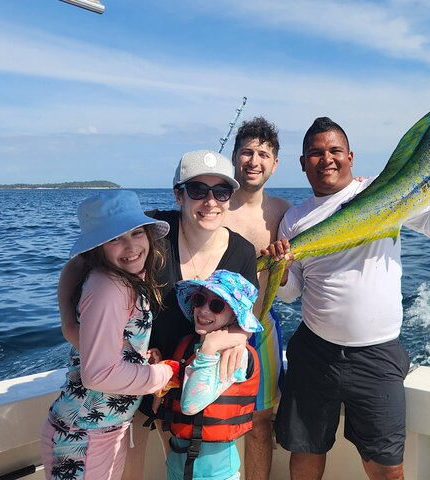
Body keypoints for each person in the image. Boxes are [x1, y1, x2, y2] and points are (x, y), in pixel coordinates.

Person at [263, 117, 430, 480]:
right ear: (302, 163)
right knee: (305, 456)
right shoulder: (294, 219)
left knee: (388, 468)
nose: (325, 159)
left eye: (334, 151)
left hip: (376, 355)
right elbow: (293, 291)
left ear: (350, 157)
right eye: (315, 153)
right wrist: (275, 270)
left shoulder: (383, 191)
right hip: (314, 353)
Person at [58, 151, 257, 479]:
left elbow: (246, 315)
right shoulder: (150, 232)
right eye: (197, 191)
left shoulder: (243, 252)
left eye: (221, 192)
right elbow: (76, 265)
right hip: (136, 376)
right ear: (178, 195)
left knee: (180, 469)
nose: (210, 201)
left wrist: (237, 337)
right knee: (128, 471)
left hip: (187, 379)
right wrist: (69, 323)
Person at [41, 190, 177, 480]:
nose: (131, 246)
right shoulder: (110, 288)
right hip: (84, 437)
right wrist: (162, 375)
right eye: (115, 238)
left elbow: (73, 267)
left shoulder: (116, 277)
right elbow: (99, 374)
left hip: (98, 430)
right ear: (98, 247)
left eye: (137, 233)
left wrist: (137, 358)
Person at [224, 117, 291, 480]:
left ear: (275, 163)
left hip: (261, 328)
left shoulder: (282, 212)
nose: (254, 161)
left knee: (261, 424)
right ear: (234, 157)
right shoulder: (212, 206)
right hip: (212, 332)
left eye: (263, 154)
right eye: (247, 152)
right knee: (209, 423)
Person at [159, 270, 264, 480]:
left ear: (235, 314)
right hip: (176, 467)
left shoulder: (237, 355)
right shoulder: (188, 345)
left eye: (216, 305)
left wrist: (210, 348)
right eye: (199, 300)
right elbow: (174, 391)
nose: (203, 310)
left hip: (216, 474)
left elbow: (190, 404)